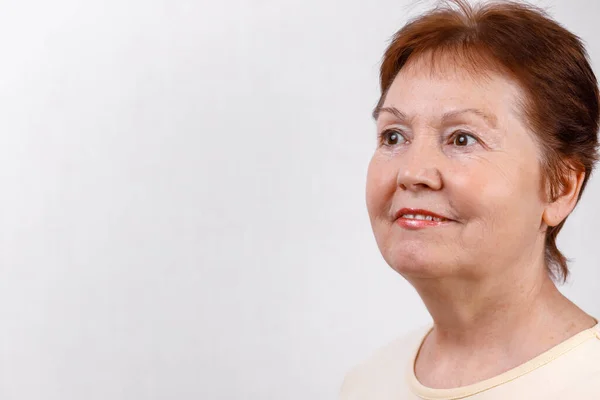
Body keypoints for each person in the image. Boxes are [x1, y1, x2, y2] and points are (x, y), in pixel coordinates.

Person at [340, 0, 600, 398]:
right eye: (394, 136)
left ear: (560, 188)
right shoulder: (366, 383)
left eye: (462, 138)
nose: (412, 172)